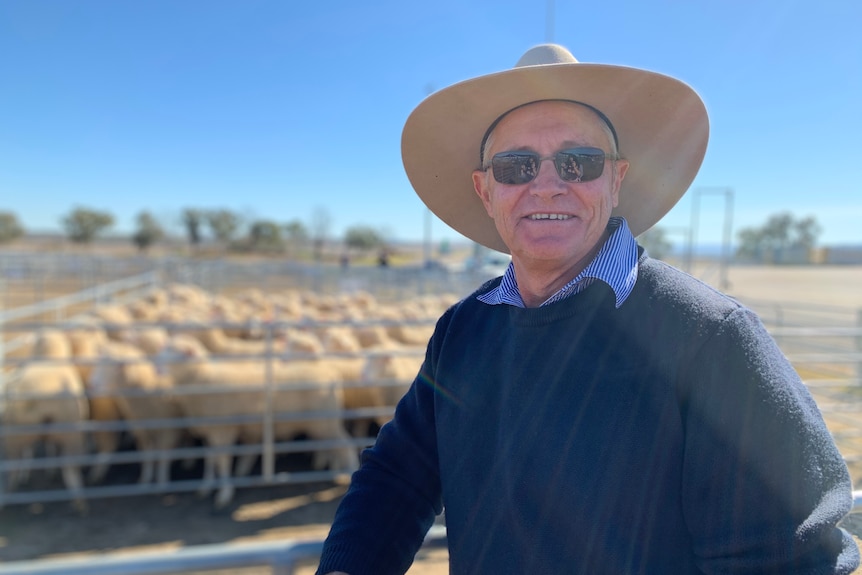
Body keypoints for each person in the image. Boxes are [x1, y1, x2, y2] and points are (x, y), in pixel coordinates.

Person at [315, 44, 859, 574]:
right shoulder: (464, 330)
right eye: (516, 166)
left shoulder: (708, 337)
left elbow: (790, 558)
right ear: (485, 190)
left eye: (580, 162)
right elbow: (399, 475)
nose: (547, 186)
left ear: (617, 179)